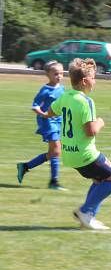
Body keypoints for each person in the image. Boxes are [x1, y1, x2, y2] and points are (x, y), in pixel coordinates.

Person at [46, 58, 111, 230]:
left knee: (99, 180)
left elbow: (51, 112)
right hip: (84, 153)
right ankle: (85, 210)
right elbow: (91, 131)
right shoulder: (86, 101)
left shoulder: (66, 96)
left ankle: (87, 218)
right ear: (85, 81)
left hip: (69, 153)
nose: (95, 81)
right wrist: (101, 121)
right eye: (94, 78)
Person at [17, 61, 66, 190]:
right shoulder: (45, 90)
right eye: (56, 74)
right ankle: (53, 182)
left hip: (59, 121)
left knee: (54, 152)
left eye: (61, 73)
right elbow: (35, 106)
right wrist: (44, 115)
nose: (59, 76)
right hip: (48, 122)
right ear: (48, 75)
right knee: (56, 150)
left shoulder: (62, 88)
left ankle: (25, 166)